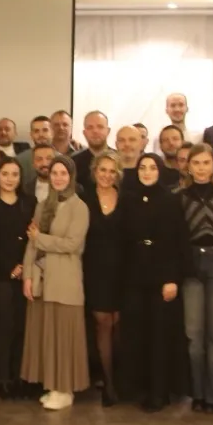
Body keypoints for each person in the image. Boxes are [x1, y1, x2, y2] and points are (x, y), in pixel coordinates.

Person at [21, 155, 90, 410]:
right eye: (54, 173)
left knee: (64, 335)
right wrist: (28, 277)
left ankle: (65, 389)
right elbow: (31, 244)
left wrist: (41, 239)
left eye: (63, 173)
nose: (59, 178)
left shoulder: (78, 207)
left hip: (65, 280)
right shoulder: (43, 205)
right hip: (42, 280)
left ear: (71, 177)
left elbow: (72, 244)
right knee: (47, 334)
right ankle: (53, 385)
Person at [119, 154, 184, 412]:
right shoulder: (129, 199)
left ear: (160, 171)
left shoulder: (170, 200)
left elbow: (177, 242)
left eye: (152, 168)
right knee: (137, 333)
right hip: (134, 274)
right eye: (142, 168)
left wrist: (172, 278)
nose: (147, 172)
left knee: (159, 335)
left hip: (161, 274)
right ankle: (139, 388)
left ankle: (160, 392)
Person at [179, 143, 213, 414]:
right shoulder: (179, 196)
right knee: (193, 335)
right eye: (196, 163)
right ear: (188, 166)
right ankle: (197, 393)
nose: (201, 168)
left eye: (206, 163)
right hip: (191, 263)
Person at [0, 158, 35, 400]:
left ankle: (19, 377)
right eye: (5, 173)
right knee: (2, 328)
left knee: (22, 328)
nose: (9, 179)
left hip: (25, 273)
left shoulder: (29, 202)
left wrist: (23, 266)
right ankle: (2, 378)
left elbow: (32, 237)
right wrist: (8, 268)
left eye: (14, 174)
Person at [82, 152, 125, 406]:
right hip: (94, 270)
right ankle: (108, 383)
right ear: (94, 171)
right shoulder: (84, 199)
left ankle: (119, 379)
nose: (107, 175)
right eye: (103, 170)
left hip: (122, 271)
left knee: (118, 324)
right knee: (103, 323)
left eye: (112, 171)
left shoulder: (126, 199)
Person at [72, 110, 113, 186]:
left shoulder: (120, 159)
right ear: (84, 133)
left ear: (108, 131)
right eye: (90, 127)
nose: (95, 131)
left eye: (100, 127)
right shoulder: (73, 162)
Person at [16, 116, 55, 190]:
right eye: (36, 131)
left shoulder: (62, 159)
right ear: (31, 135)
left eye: (45, 130)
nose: (41, 134)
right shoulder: (19, 160)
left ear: (52, 133)